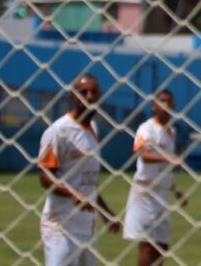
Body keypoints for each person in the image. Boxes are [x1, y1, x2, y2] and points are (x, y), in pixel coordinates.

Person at [37, 74, 121, 266]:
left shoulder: (93, 129)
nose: (89, 97)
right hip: (60, 226)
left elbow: (89, 182)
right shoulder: (59, 131)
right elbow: (45, 176)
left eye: (94, 92)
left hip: (87, 226)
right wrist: (72, 193)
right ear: (72, 97)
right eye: (83, 92)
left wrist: (106, 213)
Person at [124, 89, 183, 266]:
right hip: (146, 191)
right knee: (147, 244)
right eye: (160, 101)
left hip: (162, 193)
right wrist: (168, 158)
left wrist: (176, 190)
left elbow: (165, 169)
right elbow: (143, 154)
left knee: (162, 245)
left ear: (173, 105)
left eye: (168, 101)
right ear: (153, 106)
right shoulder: (147, 128)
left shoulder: (171, 131)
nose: (164, 105)